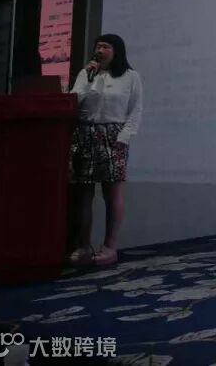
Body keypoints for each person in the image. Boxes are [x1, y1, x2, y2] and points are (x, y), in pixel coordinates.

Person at [67, 34, 143, 267]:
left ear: (116, 50)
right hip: (85, 133)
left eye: (105, 47)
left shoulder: (131, 77)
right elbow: (73, 101)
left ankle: (109, 247)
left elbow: (136, 110)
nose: (99, 50)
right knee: (83, 193)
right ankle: (83, 246)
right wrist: (88, 79)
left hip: (114, 136)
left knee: (112, 193)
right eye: (97, 46)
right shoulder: (86, 73)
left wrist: (124, 137)